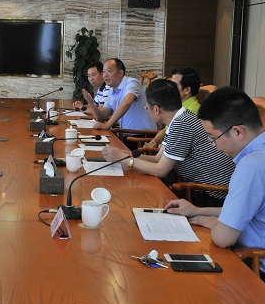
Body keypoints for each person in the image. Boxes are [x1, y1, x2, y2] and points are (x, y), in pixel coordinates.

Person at [164, 86, 265, 304]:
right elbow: (253, 210)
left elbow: (223, 238)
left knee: (187, 296)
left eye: (213, 137)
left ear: (238, 132)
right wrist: (197, 210)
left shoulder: (251, 166)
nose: (213, 145)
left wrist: (217, 225)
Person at [103, 79, 235, 206]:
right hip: (201, 189)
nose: (146, 110)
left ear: (156, 109)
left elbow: (161, 170)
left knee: (137, 197)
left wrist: (125, 159)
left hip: (213, 195)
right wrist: (124, 154)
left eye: (146, 108)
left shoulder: (181, 124)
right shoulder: (179, 118)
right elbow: (157, 159)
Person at [84, 59, 155, 148]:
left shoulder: (132, 83)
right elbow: (102, 116)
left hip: (142, 137)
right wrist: (91, 104)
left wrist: (107, 125)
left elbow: (126, 103)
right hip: (126, 135)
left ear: (120, 73)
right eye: (103, 72)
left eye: (109, 71)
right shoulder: (112, 90)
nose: (105, 75)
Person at [145, 67, 202, 148]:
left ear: (187, 90)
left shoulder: (192, 112)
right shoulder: (178, 107)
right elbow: (166, 130)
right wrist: (154, 141)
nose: (170, 88)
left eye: (174, 85)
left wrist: (160, 146)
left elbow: (177, 145)